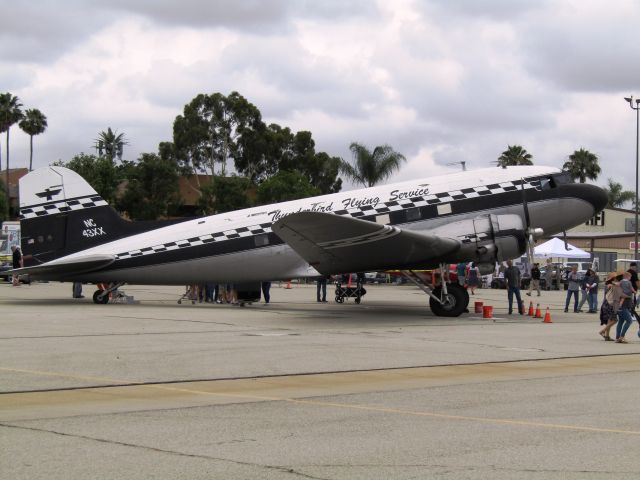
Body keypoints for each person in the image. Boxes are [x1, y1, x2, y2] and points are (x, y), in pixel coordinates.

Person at [599, 272, 619, 341]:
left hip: (605, 304)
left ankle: (607, 336)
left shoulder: (607, 284)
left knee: (610, 320)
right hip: (610, 305)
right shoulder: (610, 285)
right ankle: (602, 331)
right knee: (615, 320)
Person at [615, 271, 634, 343]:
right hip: (623, 307)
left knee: (621, 321)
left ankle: (618, 337)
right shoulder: (626, 284)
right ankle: (621, 336)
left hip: (622, 306)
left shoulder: (621, 284)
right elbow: (623, 294)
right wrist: (630, 294)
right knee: (629, 321)